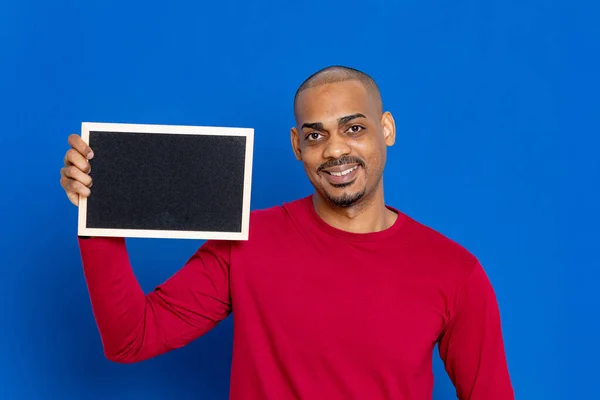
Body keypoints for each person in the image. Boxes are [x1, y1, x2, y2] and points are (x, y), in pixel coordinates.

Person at [60, 65, 514, 399]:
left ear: (386, 129)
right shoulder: (246, 242)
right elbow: (131, 339)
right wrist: (98, 209)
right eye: (315, 136)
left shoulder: (455, 272)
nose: (336, 150)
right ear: (297, 146)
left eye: (354, 129)